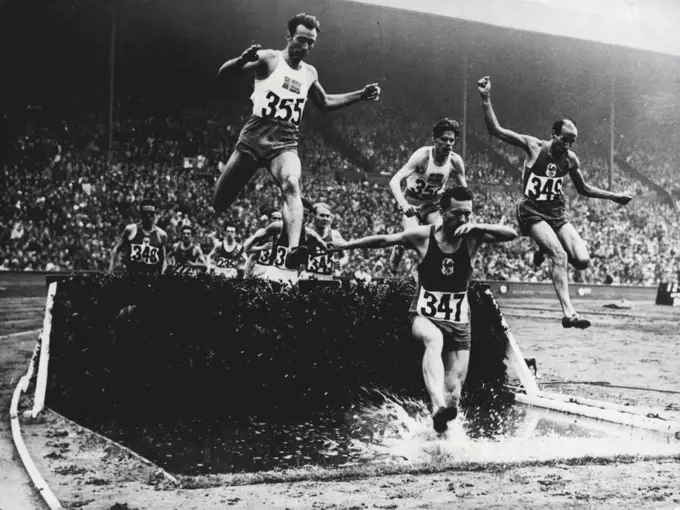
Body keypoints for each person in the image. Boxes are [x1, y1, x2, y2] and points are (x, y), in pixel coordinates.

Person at [329, 186, 517, 433]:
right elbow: (386, 240)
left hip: (460, 321)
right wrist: (346, 245)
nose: (463, 219)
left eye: (467, 214)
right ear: (442, 211)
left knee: (455, 394)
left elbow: (511, 233)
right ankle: (437, 405)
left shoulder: (472, 236)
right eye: (457, 213)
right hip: (424, 315)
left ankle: (440, 434)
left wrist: (479, 227)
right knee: (433, 339)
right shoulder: (423, 236)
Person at [213, 12, 381, 271]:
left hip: (285, 140)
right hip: (255, 135)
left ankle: (294, 249)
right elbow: (223, 73)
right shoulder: (270, 58)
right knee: (219, 202)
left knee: (292, 183)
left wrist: (361, 94)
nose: (306, 47)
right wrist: (241, 61)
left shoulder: (309, 73)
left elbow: (324, 103)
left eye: (311, 42)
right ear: (289, 36)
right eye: (301, 40)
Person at [477, 76, 633, 329]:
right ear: (554, 134)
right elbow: (496, 131)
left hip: (556, 213)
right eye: (564, 139)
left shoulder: (571, 160)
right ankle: (569, 313)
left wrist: (614, 196)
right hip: (531, 210)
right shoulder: (534, 147)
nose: (568, 145)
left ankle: (542, 247)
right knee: (559, 255)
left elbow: (583, 189)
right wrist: (485, 98)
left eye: (572, 141)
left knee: (582, 261)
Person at [388, 118, 467, 275]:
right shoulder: (423, 156)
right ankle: (400, 247)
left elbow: (464, 191)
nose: (449, 144)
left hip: (434, 205)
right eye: (444, 139)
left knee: (439, 238)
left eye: (452, 140)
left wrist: (466, 213)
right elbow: (394, 180)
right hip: (413, 202)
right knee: (413, 237)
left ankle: (419, 271)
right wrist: (404, 204)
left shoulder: (455, 161)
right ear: (435, 140)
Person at [244, 200, 326, 285]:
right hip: (275, 272)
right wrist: (257, 248)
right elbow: (250, 244)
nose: (302, 218)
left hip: (292, 275)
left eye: (306, 215)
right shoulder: (279, 226)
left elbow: (325, 247)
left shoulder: (309, 234)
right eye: (300, 214)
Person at [109, 199, 168, 274]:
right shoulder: (131, 229)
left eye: (151, 213)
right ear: (141, 215)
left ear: (154, 214)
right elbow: (115, 250)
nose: (148, 216)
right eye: (146, 213)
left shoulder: (161, 234)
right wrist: (110, 270)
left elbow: (164, 259)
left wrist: (163, 273)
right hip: (132, 276)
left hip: (151, 277)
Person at [302, 202, 348, 280]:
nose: (325, 218)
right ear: (314, 217)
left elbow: (345, 257)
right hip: (310, 276)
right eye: (322, 215)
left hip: (329, 276)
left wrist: (340, 262)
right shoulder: (308, 234)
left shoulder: (334, 234)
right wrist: (302, 270)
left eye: (327, 216)